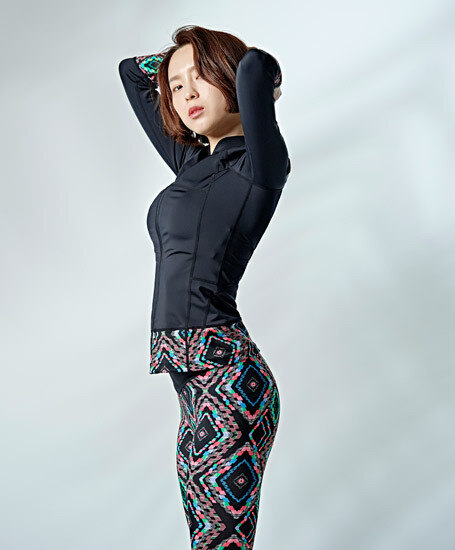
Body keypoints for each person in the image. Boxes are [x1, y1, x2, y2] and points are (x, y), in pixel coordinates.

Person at [118, 24, 291, 550]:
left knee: (221, 543)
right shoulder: (192, 164)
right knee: (208, 540)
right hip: (195, 388)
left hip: (228, 382)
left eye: (200, 77)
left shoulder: (257, 164)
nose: (186, 93)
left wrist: (224, 61)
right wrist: (178, 61)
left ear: (230, 78)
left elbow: (257, 66)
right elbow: (131, 73)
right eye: (176, 86)